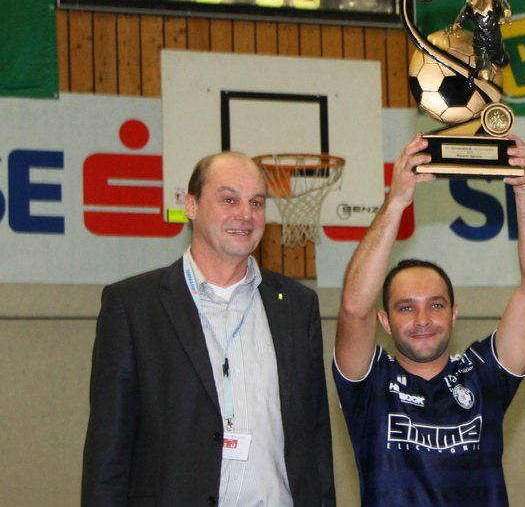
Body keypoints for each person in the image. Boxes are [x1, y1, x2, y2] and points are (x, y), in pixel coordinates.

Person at [82, 152, 335, 506]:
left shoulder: (296, 305)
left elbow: (316, 436)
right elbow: (108, 449)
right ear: (191, 206)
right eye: (229, 199)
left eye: (256, 202)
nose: (245, 214)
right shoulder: (134, 306)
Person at [333, 133, 525, 506]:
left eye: (435, 305)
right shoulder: (369, 384)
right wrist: (396, 201)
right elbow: (354, 307)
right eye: (406, 307)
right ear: (384, 320)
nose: (423, 319)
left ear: (454, 314)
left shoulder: (483, 376)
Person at [452, 0, 512, 81]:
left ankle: (491, 66)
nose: (467, 0)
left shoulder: (495, 4)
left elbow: (504, 5)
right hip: (481, 46)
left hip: (496, 43)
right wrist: (455, 28)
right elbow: (459, 21)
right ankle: (472, 75)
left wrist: (507, 16)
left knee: (504, 62)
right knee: (485, 76)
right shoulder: (468, 10)